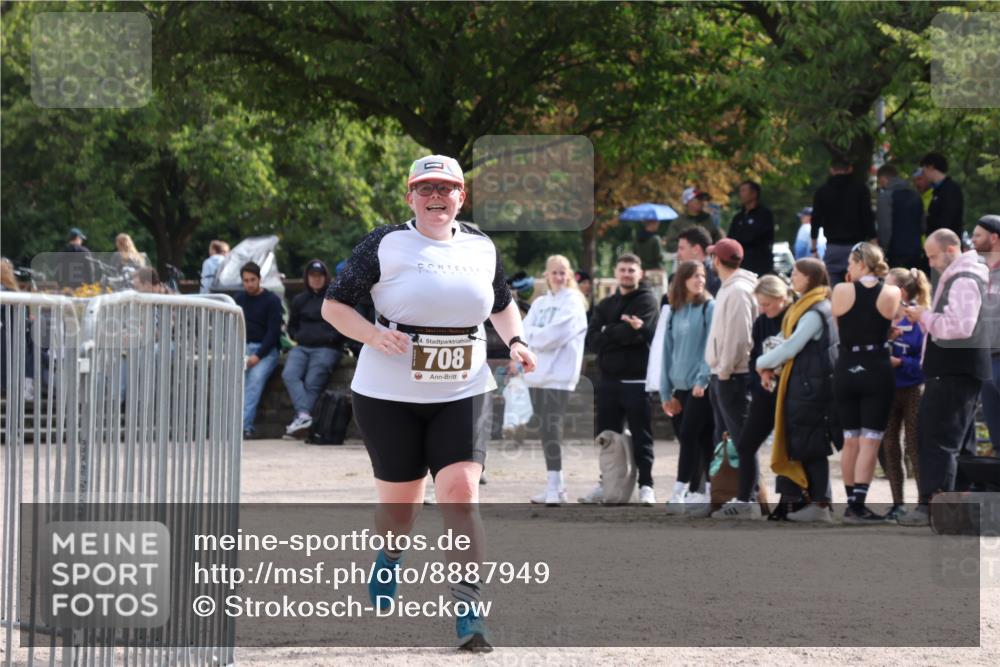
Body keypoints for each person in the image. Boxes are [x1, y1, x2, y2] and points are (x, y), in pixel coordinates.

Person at [321, 154, 535, 652]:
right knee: (400, 510)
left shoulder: (482, 247)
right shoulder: (385, 243)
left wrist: (518, 342)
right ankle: (390, 555)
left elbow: (501, 303)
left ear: (462, 196)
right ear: (410, 197)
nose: (436, 196)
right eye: (425, 188)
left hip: (464, 387)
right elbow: (334, 304)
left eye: (446, 187)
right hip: (387, 392)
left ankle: (468, 609)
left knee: (460, 491)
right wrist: (372, 335)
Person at [899, 230, 992, 525]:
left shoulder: (964, 277)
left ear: (951, 249)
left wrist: (924, 316)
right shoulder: (966, 274)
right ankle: (954, 508)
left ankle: (933, 506)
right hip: (958, 368)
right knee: (956, 442)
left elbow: (959, 327)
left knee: (937, 439)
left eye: (933, 256)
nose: (931, 262)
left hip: (954, 369)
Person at [755, 259, 840, 522]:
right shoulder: (807, 307)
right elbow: (784, 340)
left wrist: (761, 363)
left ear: (810, 278)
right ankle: (809, 503)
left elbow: (790, 346)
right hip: (806, 385)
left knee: (812, 445)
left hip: (810, 389)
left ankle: (820, 505)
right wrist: (771, 365)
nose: (792, 276)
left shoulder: (815, 311)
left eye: (796, 273)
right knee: (805, 443)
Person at [712, 275, 793, 520]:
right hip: (763, 392)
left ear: (781, 299)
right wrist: (760, 375)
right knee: (746, 445)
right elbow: (755, 355)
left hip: (788, 393)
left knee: (788, 447)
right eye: (759, 304)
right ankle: (746, 500)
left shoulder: (792, 319)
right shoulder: (761, 323)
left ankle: (790, 501)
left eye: (766, 304)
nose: (762, 309)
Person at [831, 242, 901, 522]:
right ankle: (858, 504)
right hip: (876, 367)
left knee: (851, 440)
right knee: (870, 441)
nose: (847, 268)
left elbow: (843, 325)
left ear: (861, 263)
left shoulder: (840, 290)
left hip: (847, 366)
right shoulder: (892, 291)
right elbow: (888, 322)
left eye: (850, 262)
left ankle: (850, 502)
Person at [582, 253, 659, 505]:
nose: (627, 274)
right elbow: (592, 340)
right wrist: (623, 330)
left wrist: (609, 331)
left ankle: (646, 485)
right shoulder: (605, 304)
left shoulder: (647, 301)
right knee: (608, 436)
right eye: (623, 269)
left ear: (640, 273)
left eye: (631, 270)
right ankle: (607, 484)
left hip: (637, 382)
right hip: (609, 382)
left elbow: (641, 335)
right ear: (616, 272)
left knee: (641, 436)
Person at [522, 255, 588, 505]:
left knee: (552, 428)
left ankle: (554, 485)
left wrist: (535, 337)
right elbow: (523, 330)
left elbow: (557, 334)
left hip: (559, 376)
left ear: (569, 275)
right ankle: (556, 485)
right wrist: (535, 336)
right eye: (555, 272)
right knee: (544, 429)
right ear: (546, 275)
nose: (559, 277)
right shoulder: (539, 303)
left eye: (563, 272)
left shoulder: (573, 302)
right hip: (536, 375)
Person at [660, 261, 715, 514]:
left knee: (689, 435)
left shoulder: (709, 307)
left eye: (703, 276)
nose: (700, 280)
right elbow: (667, 353)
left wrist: (702, 379)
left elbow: (711, 345)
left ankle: (679, 492)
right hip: (679, 386)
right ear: (682, 280)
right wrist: (665, 391)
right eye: (694, 276)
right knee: (702, 440)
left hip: (700, 386)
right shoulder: (674, 310)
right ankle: (707, 493)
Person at [881, 267, 931, 518]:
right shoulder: (884, 314)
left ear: (900, 290)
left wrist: (901, 363)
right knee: (890, 445)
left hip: (912, 389)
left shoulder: (917, 316)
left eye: (887, 285)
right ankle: (897, 503)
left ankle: (924, 502)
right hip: (888, 389)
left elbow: (924, 362)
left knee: (914, 445)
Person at [703, 238, 758, 456]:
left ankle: (748, 490)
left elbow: (739, 337)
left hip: (733, 375)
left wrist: (724, 371)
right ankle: (731, 489)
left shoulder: (737, 290)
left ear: (716, 260)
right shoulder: (729, 288)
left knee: (740, 440)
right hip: (723, 373)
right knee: (725, 440)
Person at [282, 260, 346, 436]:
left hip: (327, 348)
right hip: (302, 347)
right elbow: (292, 325)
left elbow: (344, 323)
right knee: (289, 374)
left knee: (312, 382)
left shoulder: (335, 298)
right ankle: (304, 416)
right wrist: (298, 336)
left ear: (326, 277)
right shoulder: (299, 300)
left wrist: (332, 338)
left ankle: (301, 416)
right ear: (307, 277)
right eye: (312, 275)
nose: (316, 279)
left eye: (320, 275)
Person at [235, 261, 284, 440]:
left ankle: (243, 427)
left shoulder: (272, 300)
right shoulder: (239, 299)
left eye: (252, 279)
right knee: (234, 384)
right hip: (242, 348)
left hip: (266, 351)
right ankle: (235, 425)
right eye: (245, 280)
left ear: (259, 279)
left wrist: (257, 356)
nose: (249, 283)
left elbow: (274, 333)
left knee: (253, 383)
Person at [810, 158, 877, 285]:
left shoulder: (822, 191)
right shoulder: (860, 189)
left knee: (834, 289)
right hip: (857, 247)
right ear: (850, 169)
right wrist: (874, 242)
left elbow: (815, 220)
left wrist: (814, 249)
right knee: (858, 288)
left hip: (833, 247)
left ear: (831, 170)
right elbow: (867, 217)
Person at [971, 214, 1000, 453]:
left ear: (994, 238)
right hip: (986, 361)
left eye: (977, 235)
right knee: (996, 434)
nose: (972, 241)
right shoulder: (977, 272)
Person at [876, 164, 925, 269]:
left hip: (895, 253)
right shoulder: (916, 195)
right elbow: (923, 225)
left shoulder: (885, 197)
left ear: (883, 179)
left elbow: (885, 228)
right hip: (915, 251)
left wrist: (883, 250)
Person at [726, 181, 774, 278]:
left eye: (744, 191)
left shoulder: (764, 215)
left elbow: (758, 237)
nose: (741, 194)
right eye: (740, 191)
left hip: (759, 265)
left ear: (754, 193)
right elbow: (731, 238)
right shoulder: (738, 217)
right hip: (740, 265)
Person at [919, 152, 964, 238]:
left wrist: (927, 218)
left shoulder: (950, 190)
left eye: (924, 170)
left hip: (947, 243)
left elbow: (946, 220)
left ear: (931, 167)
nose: (923, 174)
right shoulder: (937, 190)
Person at [664, 187, 722, 253]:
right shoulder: (678, 222)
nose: (702, 201)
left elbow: (718, 241)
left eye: (702, 199)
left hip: (707, 259)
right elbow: (670, 244)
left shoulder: (709, 219)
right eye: (698, 199)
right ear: (688, 202)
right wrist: (687, 250)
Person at [670, 226, 721, 298]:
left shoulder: (714, 278)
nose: (678, 254)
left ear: (696, 249)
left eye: (682, 248)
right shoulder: (676, 277)